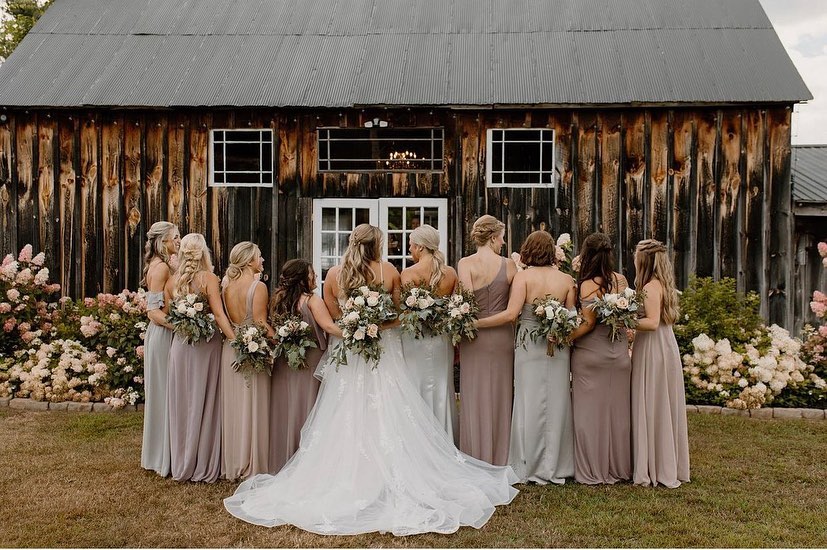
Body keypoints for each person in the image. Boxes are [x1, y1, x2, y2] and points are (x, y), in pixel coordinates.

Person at [224, 224, 518, 536]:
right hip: (383, 348)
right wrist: (376, 325)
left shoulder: (336, 274)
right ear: (376, 245)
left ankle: (346, 476)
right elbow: (400, 315)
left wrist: (355, 327)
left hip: (349, 352)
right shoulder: (388, 270)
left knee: (345, 410)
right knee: (390, 409)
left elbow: (335, 319)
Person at [477, 230, 576, 484]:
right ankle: (555, 464)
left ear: (529, 250)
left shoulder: (523, 278)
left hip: (528, 345)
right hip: (558, 346)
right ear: (552, 250)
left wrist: (479, 323)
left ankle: (527, 463)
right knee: (557, 402)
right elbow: (572, 317)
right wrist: (559, 330)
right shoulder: (566, 280)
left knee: (527, 400)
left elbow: (511, 315)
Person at [165, 233, 235, 483]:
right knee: (204, 400)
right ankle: (203, 462)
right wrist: (235, 340)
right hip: (206, 346)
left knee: (183, 401)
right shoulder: (209, 279)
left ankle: (181, 461)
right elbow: (219, 315)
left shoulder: (172, 282)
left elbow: (169, 317)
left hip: (180, 347)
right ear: (204, 252)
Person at [568, 233, 632, 485]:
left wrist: (566, 337)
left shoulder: (587, 285)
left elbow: (587, 323)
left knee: (588, 416)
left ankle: (593, 469)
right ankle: (618, 467)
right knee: (618, 415)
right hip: (618, 355)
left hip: (591, 356)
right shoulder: (621, 280)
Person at [268, 258, 341, 474]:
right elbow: (328, 325)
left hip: (285, 360)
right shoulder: (312, 300)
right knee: (309, 406)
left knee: (286, 406)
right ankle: (306, 461)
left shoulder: (278, 299)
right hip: (309, 360)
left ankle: (284, 457)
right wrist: (357, 334)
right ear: (302, 278)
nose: (315, 277)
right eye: (312, 274)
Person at [456, 215, 517, 466]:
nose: (503, 242)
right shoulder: (510, 266)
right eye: (502, 237)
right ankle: (501, 454)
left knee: (474, 392)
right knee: (502, 393)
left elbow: (467, 302)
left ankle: (475, 454)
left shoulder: (465, 264)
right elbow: (516, 308)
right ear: (493, 237)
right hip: (502, 335)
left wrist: (473, 321)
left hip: (474, 337)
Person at [630, 239, 690, 488]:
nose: (634, 259)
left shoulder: (652, 287)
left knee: (654, 401)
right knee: (657, 401)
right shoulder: (658, 284)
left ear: (643, 259)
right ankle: (658, 459)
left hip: (654, 346)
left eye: (636, 255)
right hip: (660, 344)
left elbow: (652, 322)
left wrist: (623, 319)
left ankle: (657, 465)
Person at [400, 224, 459, 443]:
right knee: (442, 385)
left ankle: (418, 442)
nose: (409, 249)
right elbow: (455, 307)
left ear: (421, 247)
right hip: (442, 338)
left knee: (416, 385)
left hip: (416, 338)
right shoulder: (451, 273)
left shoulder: (409, 273)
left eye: (411, 245)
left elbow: (404, 309)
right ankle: (443, 439)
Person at [220, 241, 273, 481]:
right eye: (259, 257)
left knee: (235, 405)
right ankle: (252, 463)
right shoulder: (257, 286)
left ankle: (234, 460)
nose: (262, 261)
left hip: (231, 348)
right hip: (253, 349)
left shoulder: (226, 286)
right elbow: (261, 324)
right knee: (254, 404)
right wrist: (281, 337)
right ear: (250, 261)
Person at [140, 221, 180, 477]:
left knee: (166, 393)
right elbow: (153, 312)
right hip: (163, 335)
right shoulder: (161, 268)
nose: (179, 241)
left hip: (164, 334)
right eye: (175, 237)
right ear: (163, 241)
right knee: (164, 394)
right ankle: (161, 456)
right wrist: (181, 326)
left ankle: (164, 452)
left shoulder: (164, 266)